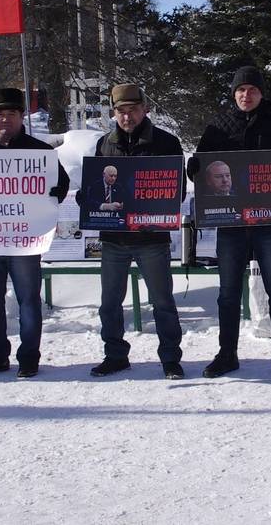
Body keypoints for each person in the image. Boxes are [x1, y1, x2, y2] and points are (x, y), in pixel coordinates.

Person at [191, 66, 271, 378]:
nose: (246, 95)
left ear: (261, 93)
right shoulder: (218, 126)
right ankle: (227, 353)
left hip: (268, 224)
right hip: (231, 224)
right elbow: (201, 167)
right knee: (227, 291)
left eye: (252, 89)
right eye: (240, 90)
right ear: (234, 93)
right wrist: (194, 168)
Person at [0, 88, 70, 379]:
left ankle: (29, 357)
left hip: (25, 239)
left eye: (11, 114)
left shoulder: (40, 152)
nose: (5, 120)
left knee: (28, 298)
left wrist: (49, 193)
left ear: (21, 116)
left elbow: (61, 186)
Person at [81, 83, 185, 379]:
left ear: (145, 109)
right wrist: (86, 198)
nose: (127, 117)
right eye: (120, 112)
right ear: (113, 113)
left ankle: (170, 358)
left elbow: (176, 193)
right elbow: (96, 189)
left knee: (162, 301)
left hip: (151, 237)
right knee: (110, 302)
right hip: (114, 238)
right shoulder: (105, 144)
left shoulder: (166, 142)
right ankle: (115, 355)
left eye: (132, 110)